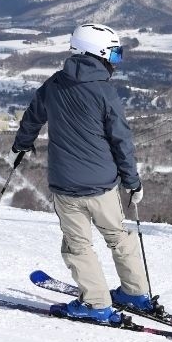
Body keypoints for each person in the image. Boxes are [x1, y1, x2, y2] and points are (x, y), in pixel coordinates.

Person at [12, 23, 153, 324]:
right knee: (118, 237)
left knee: (78, 246)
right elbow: (121, 140)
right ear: (98, 54)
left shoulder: (54, 84)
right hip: (103, 186)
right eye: (114, 55)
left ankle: (97, 303)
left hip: (66, 186)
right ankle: (135, 292)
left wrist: (22, 144)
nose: (116, 62)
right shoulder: (105, 92)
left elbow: (33, 116)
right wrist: (132, 182)